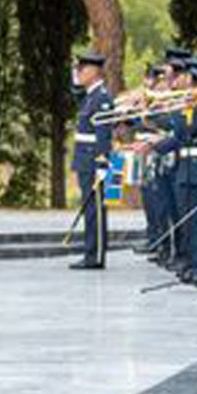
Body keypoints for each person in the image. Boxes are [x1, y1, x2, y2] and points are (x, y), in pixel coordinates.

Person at [69, 53, 112, 269]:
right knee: (90, 209)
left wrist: (103, 163)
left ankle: (95, 255)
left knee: (95, 210)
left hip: (94, 162)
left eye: (82, 70)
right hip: (85, 160)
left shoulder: (101, 98)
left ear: (94, 73)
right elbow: (74, 91)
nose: (79, 74)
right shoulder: (89, 96)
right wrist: (74, 77)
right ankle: (90, 252)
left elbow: (103, 134)